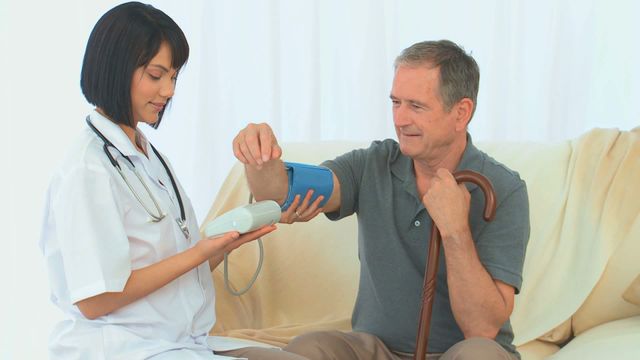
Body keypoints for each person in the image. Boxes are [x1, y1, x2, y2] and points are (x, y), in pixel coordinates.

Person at [232, 40, 530, 359]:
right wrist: (260, 157)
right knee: (310, 347)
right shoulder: (373, 163)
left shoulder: (503, 188)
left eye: (416, 106)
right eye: (396, 102)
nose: (400, 119)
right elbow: (279, 194)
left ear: (461, 113)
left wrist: (455, 231)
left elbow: (482, 329)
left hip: (461, 354)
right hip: (376, 351)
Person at [38, 3, 298, 359]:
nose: (169, 91)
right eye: (156, 75)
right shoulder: (88, 170)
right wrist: (200, 251)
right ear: (117, 68)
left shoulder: (146, 155)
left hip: (178, 340)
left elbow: (173, 271)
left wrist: (223, 246)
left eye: (174, 77)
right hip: (121, 346)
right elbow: (95, 299)